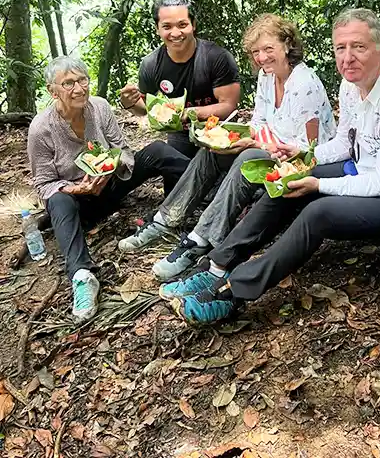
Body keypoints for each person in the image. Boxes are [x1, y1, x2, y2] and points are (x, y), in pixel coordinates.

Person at [165, 8, 380, 325]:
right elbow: (345, 145)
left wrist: (319, 185)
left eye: (359, 46)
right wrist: (300, 153)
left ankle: (233, 292)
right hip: (365, 172)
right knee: (289, 180)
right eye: (341, 48)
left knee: (318, 211)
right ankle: (218, 265)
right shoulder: (351, 85)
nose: (348, 57)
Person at [119, 14, 337, 279]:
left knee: (248, 157)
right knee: (211, 151)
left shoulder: (303, 84)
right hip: (269, 148)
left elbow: (308, 148)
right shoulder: (267, 77)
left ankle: (200, 239)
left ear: (287, 45)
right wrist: (238, 137)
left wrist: (254, 143)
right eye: (256, 52)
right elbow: (259, 120)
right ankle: (166, 219)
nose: (262, 58)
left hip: (299, 162)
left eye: (269, 49)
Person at [28, 56, 190, 323]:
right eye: (68, 83)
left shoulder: (100, 107)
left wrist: (111, 168)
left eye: (83, 80)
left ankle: (216, 189)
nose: (79, 88)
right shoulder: (41, 128)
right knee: (58, 200)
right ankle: (82, 277)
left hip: (110, 184)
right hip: (79, 203)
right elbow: (44, 184)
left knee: (158, 151)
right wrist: (76, 188)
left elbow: (124, 151)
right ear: (52, 90)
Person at [119, 0, 240, 158]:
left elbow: (228, 106)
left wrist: (188, 113)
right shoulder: (151, 64)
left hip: (220, 131)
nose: (175, 33)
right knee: (177, 179)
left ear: (193, 25)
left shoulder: (217, 57)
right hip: (180, 135)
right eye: (167, 27)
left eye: (182, 25)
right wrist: (130, 103)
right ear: (157, 29)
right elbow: (147, 110)